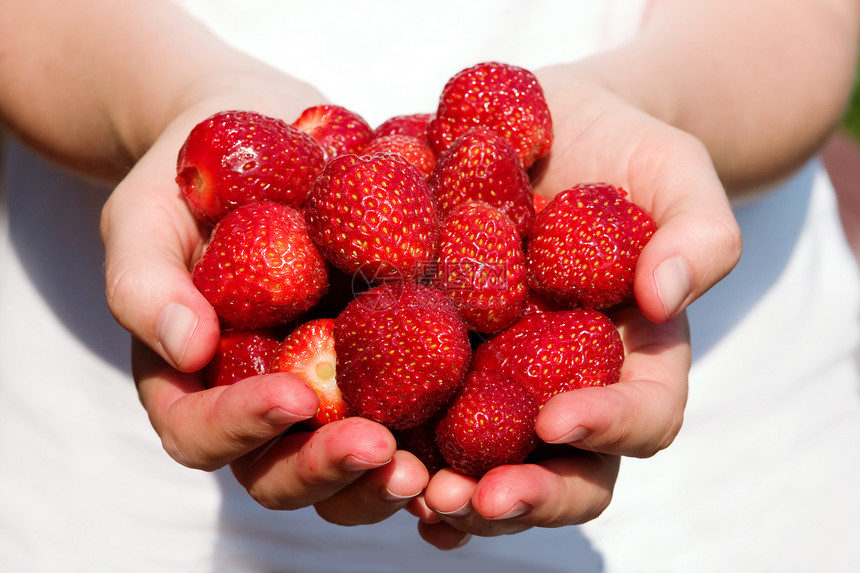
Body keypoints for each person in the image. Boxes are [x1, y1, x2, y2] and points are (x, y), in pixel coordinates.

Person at [1, 0, 858, 571]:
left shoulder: (482, 214)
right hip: (114, 507)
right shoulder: (358, 227)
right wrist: (171, 103)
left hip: (721, 495)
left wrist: (648, 103)